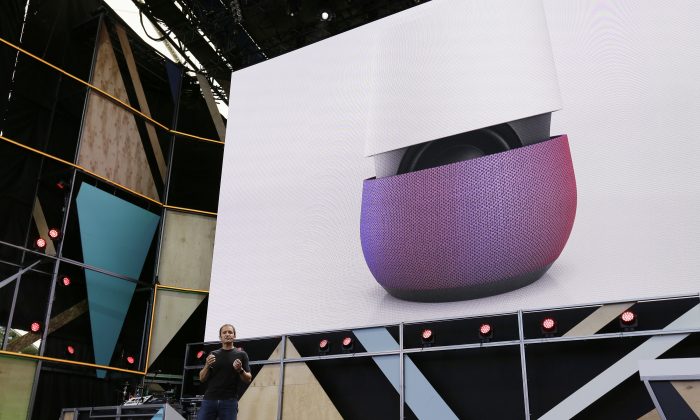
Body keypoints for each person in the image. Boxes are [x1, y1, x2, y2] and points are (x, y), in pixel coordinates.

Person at [198, 324, 252, 420]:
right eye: (224, 332)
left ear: (234, 336)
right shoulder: (213, 354)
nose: (227, 334)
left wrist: (240, 370)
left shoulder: (241, 354)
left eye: (230, 332)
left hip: (229, 401)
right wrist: (206, 365)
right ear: (220, 337)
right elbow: (202, 378)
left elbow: (248, 378)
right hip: (209, 399)